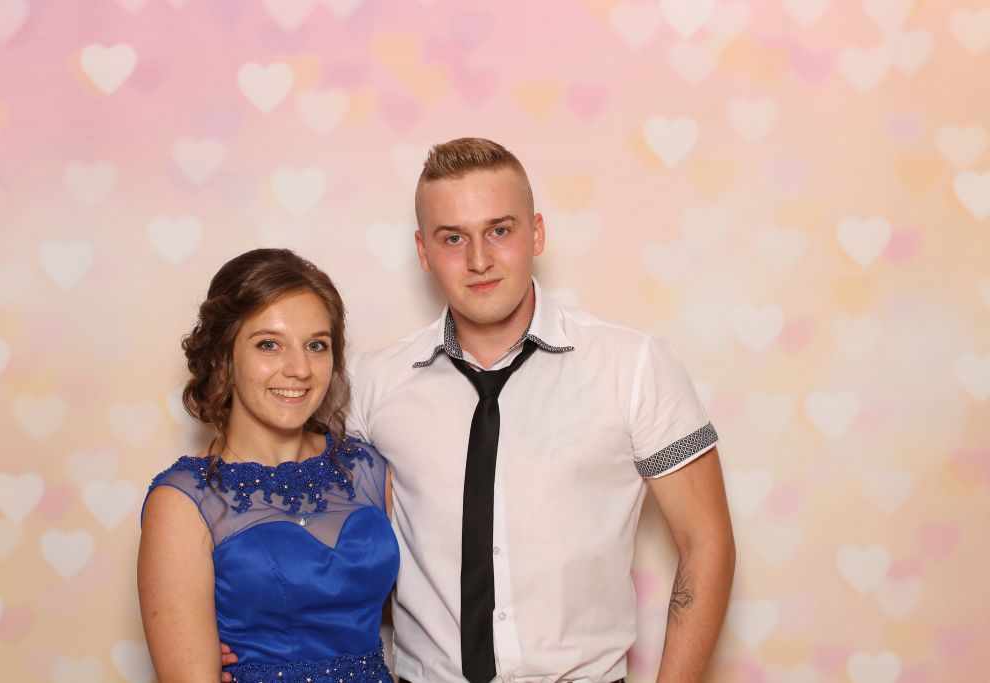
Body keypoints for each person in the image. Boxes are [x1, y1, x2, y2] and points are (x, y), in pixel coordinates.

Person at [224, 139, 736, 682]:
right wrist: (226, 634)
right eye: (453, 238)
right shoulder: (370, 383)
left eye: (500, 230)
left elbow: (706, 542)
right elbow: (298, 524)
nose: (479, 260)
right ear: (423, 251)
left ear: (536, 232)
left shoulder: (634, 366)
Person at [139, 248, 398, 683]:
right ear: (222, 357)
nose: (299, 369)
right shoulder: (183, 502)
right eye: (269, 345)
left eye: (316, 345)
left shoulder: (370, 470)